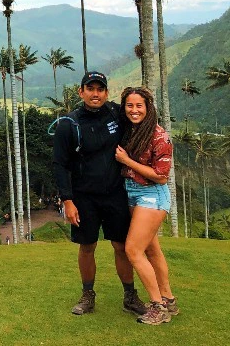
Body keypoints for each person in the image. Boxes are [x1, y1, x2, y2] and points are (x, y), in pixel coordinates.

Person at [52, 72, 147, 316]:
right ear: (81, 92)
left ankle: (130, 295)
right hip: (84, 197)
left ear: (106, 92)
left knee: (121, 245)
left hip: (115, 192)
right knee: (87, 246)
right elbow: (60, 165)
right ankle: (87, 295)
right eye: (90, 88)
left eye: (100, 89)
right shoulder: (68, 124)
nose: (96, 94)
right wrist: (68, 200)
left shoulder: (116, 114)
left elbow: (142, 118)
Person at [114, 86, 179, 325]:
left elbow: (161, 176)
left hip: (152, 195)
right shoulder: (132, 130)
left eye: (139, 105)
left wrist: (126, 160)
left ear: (148, 107)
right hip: (134, 193)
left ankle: (157, 307)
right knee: (152, 250)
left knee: (133, 250)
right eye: (129, 105)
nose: (134, 110)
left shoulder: (158, 136)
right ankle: (169, 301)